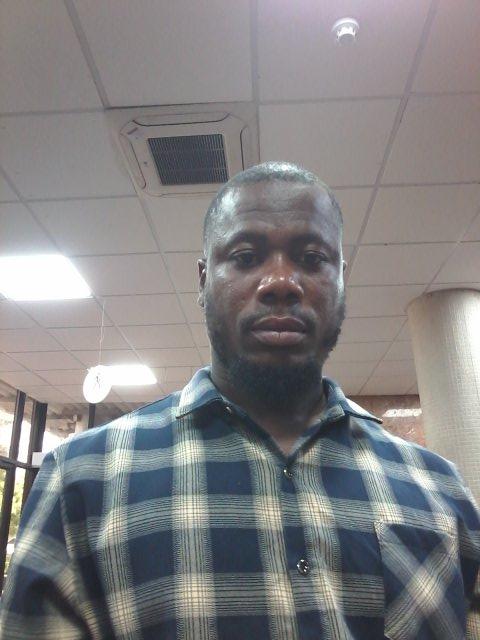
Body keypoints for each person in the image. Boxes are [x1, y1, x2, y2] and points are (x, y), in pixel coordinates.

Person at [0, 162, 479, 639]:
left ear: (341, 280)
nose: (281, 282)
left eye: (312, 258)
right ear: (203, 281)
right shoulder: (80, 482)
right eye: (246, 257)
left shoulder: (440, 490)